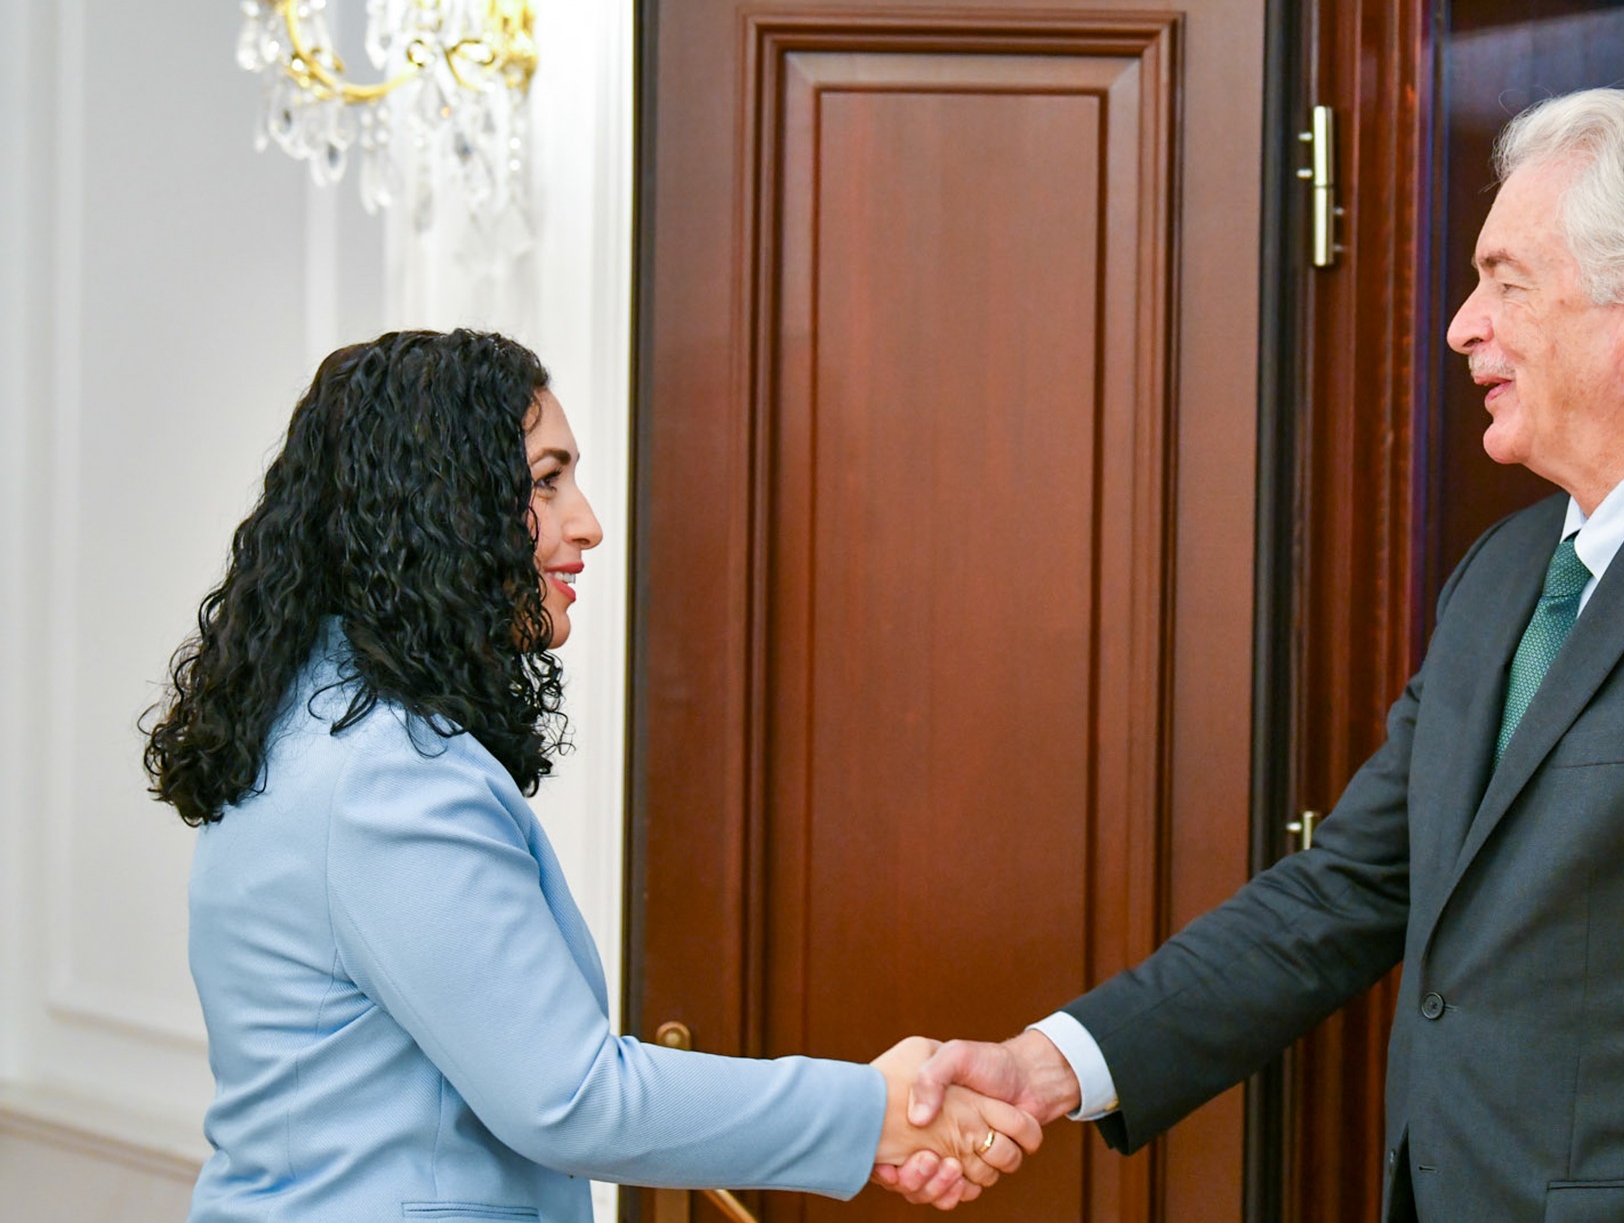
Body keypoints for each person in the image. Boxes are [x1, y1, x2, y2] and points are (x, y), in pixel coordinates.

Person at [882, 90, 1624, 1221]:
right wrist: (1050, 1064)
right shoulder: (1503, 572)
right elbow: (1349, 885)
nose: (1461, 325)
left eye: (1506, 282)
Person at [143, 329, 1038, 1222]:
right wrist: (876, 1112)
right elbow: (571, 1097)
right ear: (442, 500)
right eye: (546, 480)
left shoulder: (320, 728)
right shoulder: (386, 777)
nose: (588, 523)